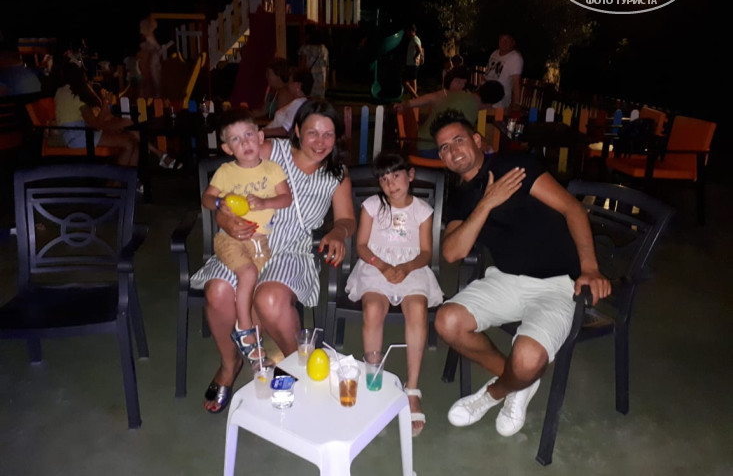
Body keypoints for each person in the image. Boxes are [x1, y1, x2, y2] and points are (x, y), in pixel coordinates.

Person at [429, 110, 610, 436]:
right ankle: (521, 380)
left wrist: (590, 268)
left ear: (477, 140)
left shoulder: (517, 167)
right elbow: (452, 252)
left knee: (527, 358)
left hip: (557, 285)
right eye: (444, 148)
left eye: (458, 140)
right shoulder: (460, 197)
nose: (453, 151)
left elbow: (572, 208)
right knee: (447, 321)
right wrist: (486, 203)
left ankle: (495, 392)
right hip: (506, 280)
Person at [192, 99, 356, 413]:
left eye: (328, 134)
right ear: (297, 131)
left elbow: (347, 218)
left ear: (337, 137)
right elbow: (228, 183)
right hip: (245, 242)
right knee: (218, 290)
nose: (320, 141)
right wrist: (224, 217)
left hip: (292, 249)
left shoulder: (336, 175)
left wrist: (338, 232)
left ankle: (298, 367)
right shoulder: (271, 150)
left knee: (269, 298)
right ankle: (229, 363)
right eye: (312, 132)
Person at [345, 150, 443, 437]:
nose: (390, 185)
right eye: (384, 179)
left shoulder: (422, 210)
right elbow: (362, 245)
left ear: (410, 175)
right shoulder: (373, 205)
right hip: (376, 265)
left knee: (417, 310)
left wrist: (406, 267)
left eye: (396, 176)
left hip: (412, 267)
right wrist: (383, 266)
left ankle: (412, 388)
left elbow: (425, 252)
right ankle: (373, 380)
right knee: (373, 309)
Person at [201, 109, 293, 369]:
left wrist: (264, 202)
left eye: (249, 135)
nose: (245, 143)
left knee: (256, 291)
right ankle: (244, 329)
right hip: (230, 240)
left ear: (260, 137)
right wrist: (218, 203)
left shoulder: (272, 169)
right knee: (248, 273)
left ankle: (255, 350)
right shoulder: (226, 171)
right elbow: (207, 198)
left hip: (260, 242)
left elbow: (286, 198)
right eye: (236, 140)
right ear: (227, 148)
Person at [53, 54, 181, 172]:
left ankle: (137, 175)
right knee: (129, 141)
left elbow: (96, 118)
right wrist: (105, 103)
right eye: (84, 74)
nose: (87, 77)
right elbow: (95, 124)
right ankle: (119, 181)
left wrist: (105, 107)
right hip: (79, 135)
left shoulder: (62, 91)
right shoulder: (76, 94)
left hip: (78, 132)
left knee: (129, 130)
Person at [394, 66, 504, 158]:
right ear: (490, 104)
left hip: (424, 143)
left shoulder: (459, 96)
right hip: (430, 148)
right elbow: (463, 135)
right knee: (472, 158)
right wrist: (482, 145)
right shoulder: (470, 106)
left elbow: (466, 129)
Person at [262, 67, 313, 138]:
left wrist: (261, 132)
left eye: (290, 82)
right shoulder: (302, 102)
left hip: (272, 139)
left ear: (298, 86)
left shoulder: (298, 103)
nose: (288, 85)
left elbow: (285, 130)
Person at [482, 33, 523, 110]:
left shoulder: (515, 57)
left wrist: (516, 103)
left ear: (513, 42)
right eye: (502, 39)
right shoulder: (494, 53)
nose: (504, 43)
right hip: (485, 99)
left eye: (507, 40)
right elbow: (487, 74)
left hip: (499, 102)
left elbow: (516, 83)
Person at [297, 25, 329, 98]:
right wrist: (326, 81)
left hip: (308, 80)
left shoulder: (304, 49)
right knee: (319, 100)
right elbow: (326, 67)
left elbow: (302, 66)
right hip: (321, 80)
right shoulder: (323, 49)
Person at [402, 24, 424, 99]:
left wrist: (415, 57)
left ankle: (416, 98)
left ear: (412, 31)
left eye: (407, 31)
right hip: (412, 64)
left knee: (406, 82)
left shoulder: (415, 39)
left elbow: (419, 50)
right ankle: (413, 99)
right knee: (413, 82)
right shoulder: (414, 39)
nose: (406, 33)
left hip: (412, 64)